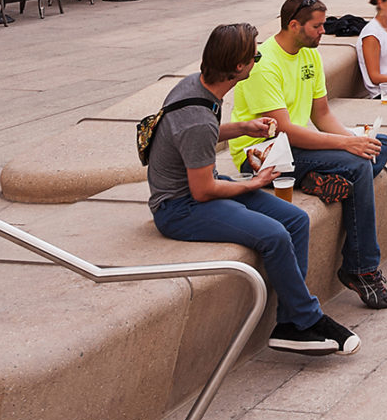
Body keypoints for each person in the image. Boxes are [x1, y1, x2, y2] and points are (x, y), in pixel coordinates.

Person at [146, 22, 359, 357]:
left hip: (200, 191)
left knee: (296, 220)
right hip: (179, 208)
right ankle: (308, 318)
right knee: (274, 235)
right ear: (238, 67)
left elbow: (194, 139)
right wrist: (254, 183)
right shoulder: (198, 118)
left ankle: (290, 324)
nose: (259, 57)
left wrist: (243, 128)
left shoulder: (198, 88)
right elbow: (202, 190)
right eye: (254, 55)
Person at [231, 0, 387, 310]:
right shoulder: (264, 64)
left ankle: (315, 178)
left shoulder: (310, 55)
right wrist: (347, 145)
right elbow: (284, 130)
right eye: (317, 26)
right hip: (262, 154)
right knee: (358, 165)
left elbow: (321, 116)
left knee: (381, 144)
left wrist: (354, 137)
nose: (324, 31)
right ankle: (360, 269)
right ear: (294, 25)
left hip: (297, 148)